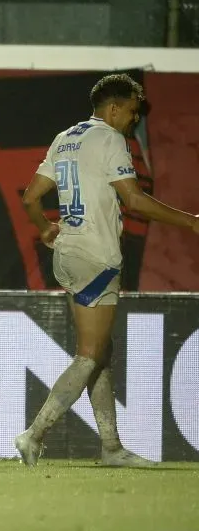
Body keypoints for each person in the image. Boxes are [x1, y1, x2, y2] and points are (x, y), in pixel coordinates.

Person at [17, 74, 199, 467]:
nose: (134, 120)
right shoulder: (111, 139)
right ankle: (34, 434)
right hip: (97, 254)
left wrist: (45, 228)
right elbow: (133, 199)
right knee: (88, 355)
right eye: (132, 111)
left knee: (101, 353)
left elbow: (31, 197)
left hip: (67, 254)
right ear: (113, 108)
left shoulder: (65, 137)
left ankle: (111, 447)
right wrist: (189, 221)